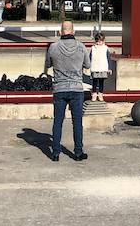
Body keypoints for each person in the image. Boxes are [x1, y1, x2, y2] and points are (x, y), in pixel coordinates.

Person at [45, 21, 90, 162]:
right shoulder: (81, 47)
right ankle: (78, 152)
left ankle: (55, 153)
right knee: (77, 122)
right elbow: (87, 65)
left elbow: (48, 64)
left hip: (59, 88)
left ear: (60, 32)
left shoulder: (53, 47)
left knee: (58, 121)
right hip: (76, 88)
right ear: (73, 31)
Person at [90, 32, 113, 101]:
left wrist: (110, 68)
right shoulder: (93, 48)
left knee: (101, 82)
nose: (99, 43)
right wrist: (88, 66)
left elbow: (109, 58)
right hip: (95, 67)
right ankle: (94, 94)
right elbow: (90, 57)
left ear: (104, 41)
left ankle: (100, 94)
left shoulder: (105, 49)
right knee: (94, 81)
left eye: (101, 41)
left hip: (102, 67)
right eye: (97, 41)